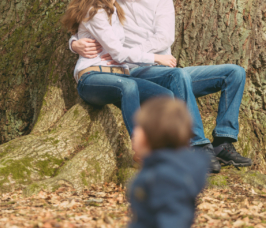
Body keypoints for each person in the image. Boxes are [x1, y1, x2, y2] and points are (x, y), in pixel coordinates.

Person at [69, 0, 252, 173]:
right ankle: (197, 145)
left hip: (163, 68)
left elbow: (164, 38)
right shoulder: (114, 4)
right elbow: (89, 21)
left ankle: (223, 142)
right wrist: (74, 44)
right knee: (177, 75)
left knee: (234, 73)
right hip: (136, 69)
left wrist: (130, 52)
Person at [92, 97, 243, 228]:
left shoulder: (166, 176)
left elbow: (174, 215)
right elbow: (144, 220)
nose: (133, 133)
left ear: (151, 136)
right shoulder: (153, 170)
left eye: (138, 128)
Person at [61, 0, 176, 140]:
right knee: (128, 86)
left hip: (120, 77)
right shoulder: (94, 12)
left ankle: (164, 145)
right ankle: (140, 146)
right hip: (93, 77)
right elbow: (118, 53)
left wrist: (72, 43)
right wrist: (155, 58)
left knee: (165, 95)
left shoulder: (115, 9)